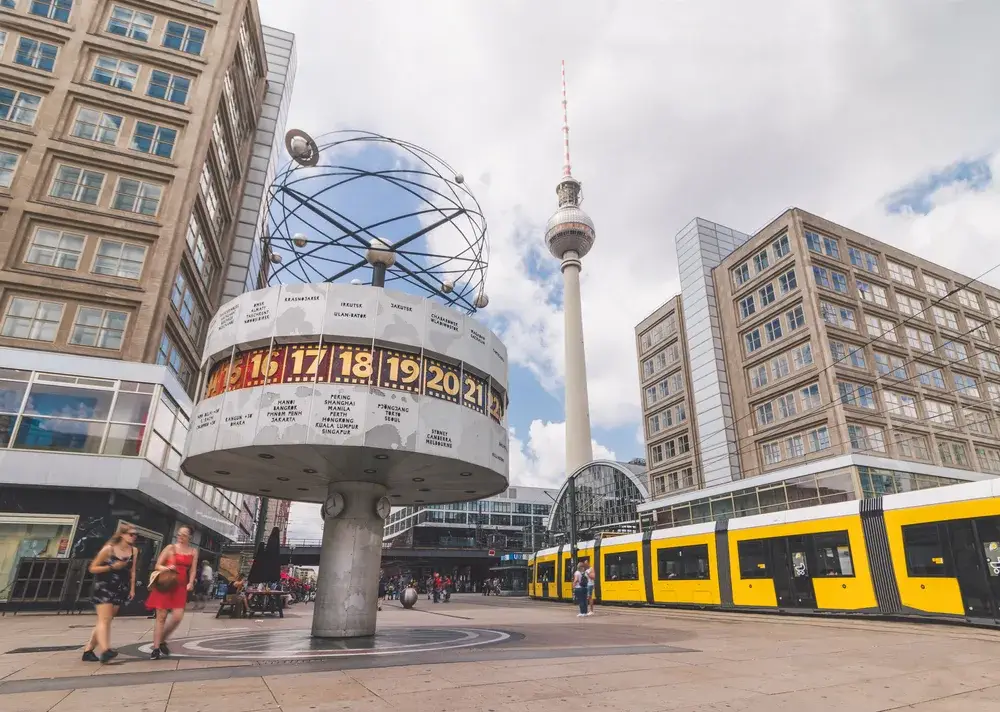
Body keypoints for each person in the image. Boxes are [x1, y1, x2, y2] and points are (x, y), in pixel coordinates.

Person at [82, 523, 137, 663]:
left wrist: (132, 588)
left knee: (105, 620)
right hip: (104, 587)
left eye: (136, 534)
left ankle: (88, 650)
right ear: (122, 535)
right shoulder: (109, 549)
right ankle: (106, 651)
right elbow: (92, 568)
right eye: (131, 534)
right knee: (104, 620)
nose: (134, 537)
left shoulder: (134, 551)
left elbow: (133, 571)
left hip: (120, 588)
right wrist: (111, 566)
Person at [146, 526, 198, 660]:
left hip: (180, 586)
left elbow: (192, 570)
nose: (180, 537)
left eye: (184, 535)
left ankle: (162, 639)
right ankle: (156, 648)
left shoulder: (193, 551)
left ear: (190, 537)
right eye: (179, 534)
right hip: (166, 584)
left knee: (177, 617)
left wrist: (191, 582)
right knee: (161, 617)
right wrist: (167, 567)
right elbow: (157, 565)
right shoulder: (170, 548)